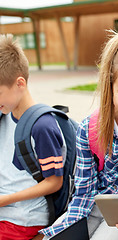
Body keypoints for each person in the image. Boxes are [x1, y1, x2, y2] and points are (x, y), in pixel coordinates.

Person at [40, 32, 118, 239]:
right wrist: (63, 228)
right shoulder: (89, 129)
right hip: (96, 205)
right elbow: (84, 191)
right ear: (109, 87)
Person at [0, 34, 64, 239]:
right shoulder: (5, 115)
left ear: (20, 83)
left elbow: (54, 182)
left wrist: (5, 199)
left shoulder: (42, 126)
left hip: (23, 219)